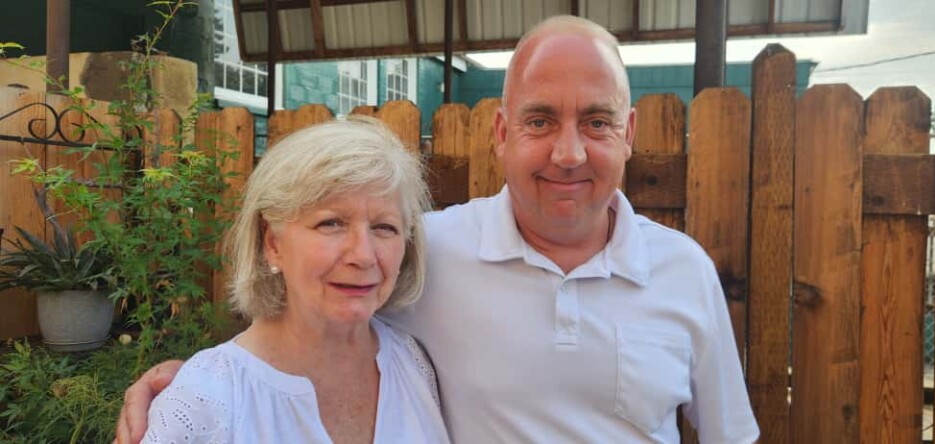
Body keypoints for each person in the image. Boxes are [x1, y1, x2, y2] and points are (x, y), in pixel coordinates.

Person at [119, 16, 759, 443]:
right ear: (503, 133)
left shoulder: (685, 271)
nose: (569, 153)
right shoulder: (434, 251)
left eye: (597, 121)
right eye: (540, 121)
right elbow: (307, 317)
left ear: (630, 134)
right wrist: (196, 390)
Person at [136, 117, 449, 443]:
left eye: (385, 227)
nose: (364, 255)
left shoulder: (412, 363)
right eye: (331, 223)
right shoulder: (204, 401)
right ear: (272, 243)